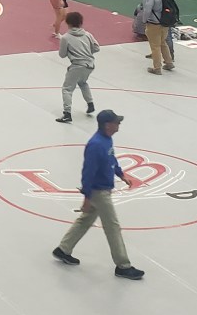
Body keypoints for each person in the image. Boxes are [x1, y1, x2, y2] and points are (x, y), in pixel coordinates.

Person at [51, 110, 145, 280]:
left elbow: (111, 159)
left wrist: (121, 174)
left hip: (101, 190)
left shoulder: (107, 140)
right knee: (112, 227)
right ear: (108, 125)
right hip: (99, 192)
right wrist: (87, 197)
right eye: (116, 122)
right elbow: (88, 173)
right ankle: (123, 265)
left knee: (85, 220)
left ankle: (63, 249)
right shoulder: (95, 145)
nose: (119, 124)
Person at [55, 11, 98, 123]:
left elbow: (62, 54)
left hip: (77, 65)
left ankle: (67, 113)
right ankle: (90, 103)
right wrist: (87, 52)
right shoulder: (88, 35)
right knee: (83, 83)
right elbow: (96, 48)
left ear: (67, 23)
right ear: (80, 22)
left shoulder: (66, 37)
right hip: (90, 65)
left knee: (67, 89)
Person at [141, 0, 176, 75]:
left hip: (154, 23)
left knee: (155, 46)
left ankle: (157, 68)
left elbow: (147, 10)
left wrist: (144, 21)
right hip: (165, 22)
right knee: (163, 43)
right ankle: (169, 62)